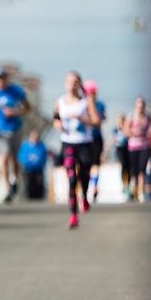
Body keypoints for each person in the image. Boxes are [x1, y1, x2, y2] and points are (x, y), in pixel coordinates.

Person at [53, 72, 101, 229]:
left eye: (75, 82)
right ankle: (73, 215)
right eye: (69, 81)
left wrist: (82, 119)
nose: (72, 85)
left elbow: (97, 122)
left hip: (84, 144)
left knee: (84, 176)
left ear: (79, 84)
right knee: (72, 179)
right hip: (68, 144)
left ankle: (85, 197)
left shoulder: (86, 102)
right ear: (65, 83)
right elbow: (55, 119)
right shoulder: (60, 102)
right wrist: (57, 124)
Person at [0, 67, 32, 203]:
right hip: (0, 131)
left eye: (3, 78)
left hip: (15, 128)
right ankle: (8, 187)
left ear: (7, 79)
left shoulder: (16, 90)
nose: (1, 81)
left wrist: (15, 112)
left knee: (14, 159)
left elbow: (28, 107)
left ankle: (14, 178)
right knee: (3, 158)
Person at [123, 97, 151, 203]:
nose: (140, 106)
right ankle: (133, 182)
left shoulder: (148, 118)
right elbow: (125, 130)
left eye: (142, 104)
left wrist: (149, 133)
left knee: (142, 169)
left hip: (145, 146)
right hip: (133, 146)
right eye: (138, 104)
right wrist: (134, 132)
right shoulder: (131, 116)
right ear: (136, 105)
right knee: (134, 169)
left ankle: (141, 192)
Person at [82, 80, 106, 200]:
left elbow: (102, 119)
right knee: (86, 164)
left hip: (95, 137)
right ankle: (87, 186)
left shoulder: (99, 104)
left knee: (95, 163)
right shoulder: (82, 103)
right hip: (84, 138)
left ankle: (94, 186)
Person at [103, 112, 130, 198]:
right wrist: (105, 149)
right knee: (123, 165)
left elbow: (129, 136)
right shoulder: (115, 130)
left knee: (128, 167)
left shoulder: (127, 128)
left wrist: (124, 128)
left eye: (121, 119)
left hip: (127, 149)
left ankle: (128, 184)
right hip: (119, 149)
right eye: (118, 120)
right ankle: (124, 184)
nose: (119, 121)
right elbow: (111, 139)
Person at [18, 129, 48, 200]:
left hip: (39, 169)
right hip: (29, 169)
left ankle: (39, 198)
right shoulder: (25, 146)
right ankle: (30, 198)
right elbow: (21, 157)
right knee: (30, 184)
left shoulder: (41, 145)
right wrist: (28, 161)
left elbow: (44, 156)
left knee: (39, 184)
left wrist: (42, 164)